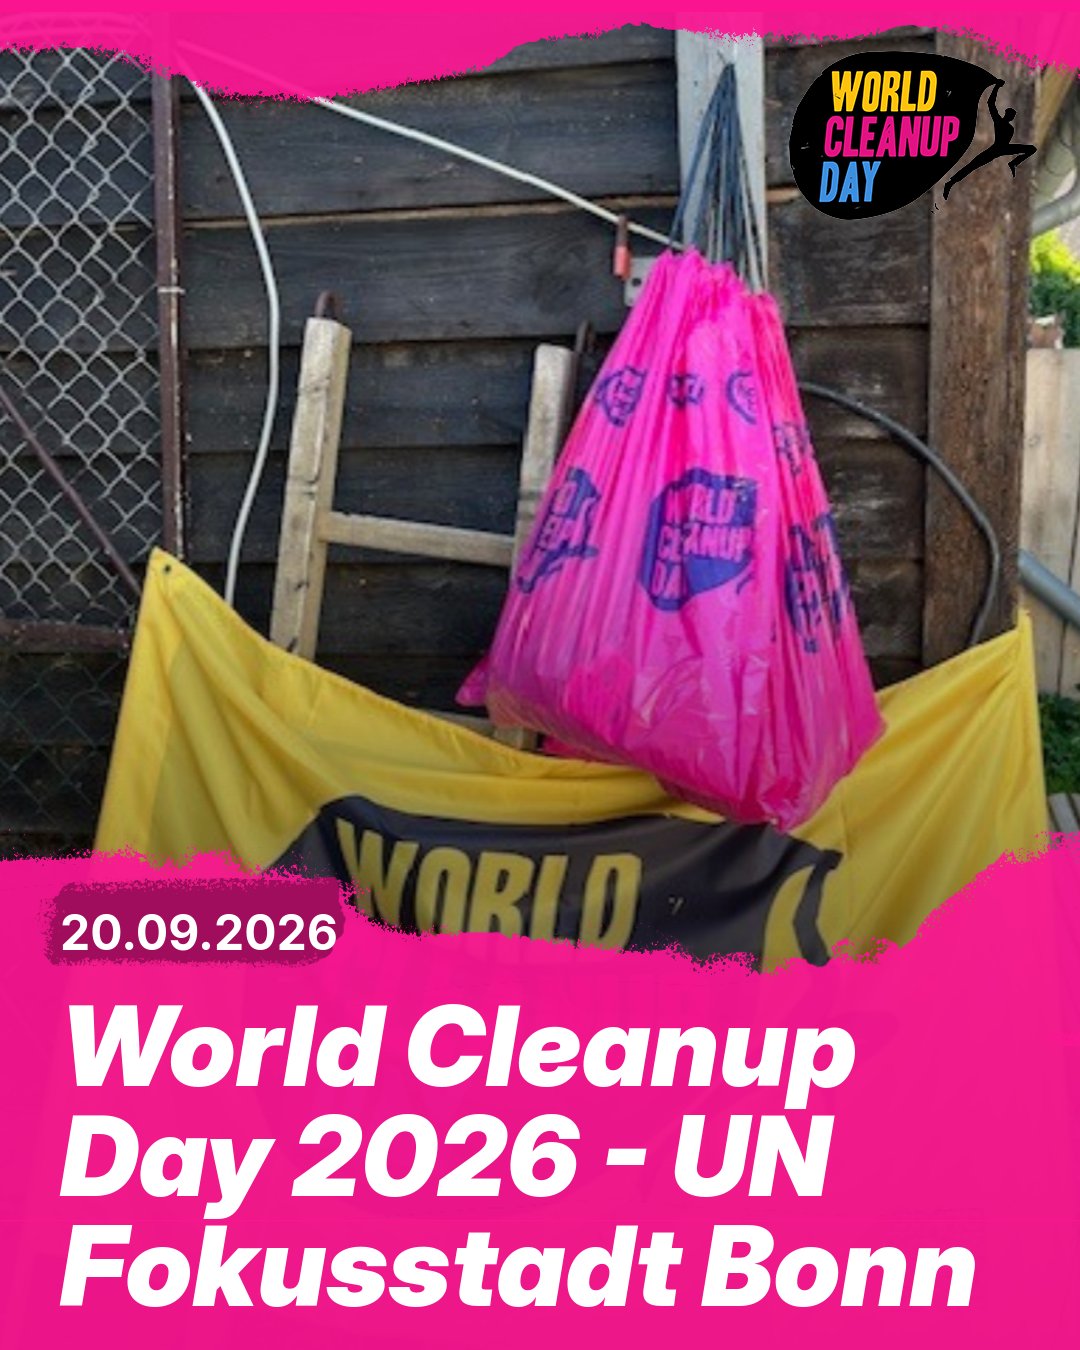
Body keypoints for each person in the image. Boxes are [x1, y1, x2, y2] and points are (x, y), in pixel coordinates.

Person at [942, 78, 1036, 200]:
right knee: (972, 165)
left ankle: (1013, 163)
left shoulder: (1010, 127)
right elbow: (991, 103)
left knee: (1031, 149)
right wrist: (996, 87)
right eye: (1010, 114)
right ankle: (951, 182)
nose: (1011, 116)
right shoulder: (999, 121)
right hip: (996, 149)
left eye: (1012, 115)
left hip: (1005, 148)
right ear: (1006, 114)